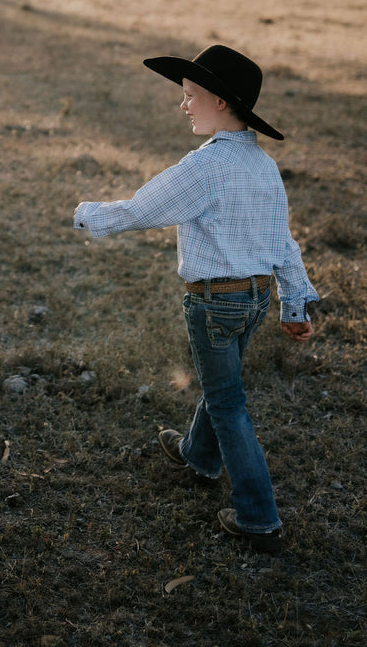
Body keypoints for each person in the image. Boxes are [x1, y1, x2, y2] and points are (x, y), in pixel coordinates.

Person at [73, 44, 318, 554]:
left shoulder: (205, 166)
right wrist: (293, 304)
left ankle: (259, 517)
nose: (183, 105)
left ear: (223, 103)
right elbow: (283, 242)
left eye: (190, 96)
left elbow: (146, 208)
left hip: (213, 302)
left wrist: (87, 215)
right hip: (254, 299)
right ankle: (197, 456)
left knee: (228, 401)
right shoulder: (263, 166)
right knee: (222, 381)